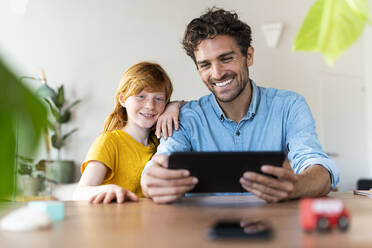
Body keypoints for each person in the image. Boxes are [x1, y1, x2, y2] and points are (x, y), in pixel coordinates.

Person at [140, 8, 340, 204]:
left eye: (226, 58)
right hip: (201, 230)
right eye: (205, 65)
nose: (217, 73)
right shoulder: (185, 118)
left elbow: (320, 168)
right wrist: (150, 182)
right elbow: (158, 165)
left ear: (249, 56)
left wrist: (296, 186)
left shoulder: (289, 106)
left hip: (272, 227)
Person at [73, 61, 183, 204]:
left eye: (158, 99)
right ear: (123, 99)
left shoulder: (162, 141)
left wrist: (175, 105)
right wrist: (108, 189)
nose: (150, 106)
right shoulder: (109, 142)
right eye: (141, 96)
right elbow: (79, 193)